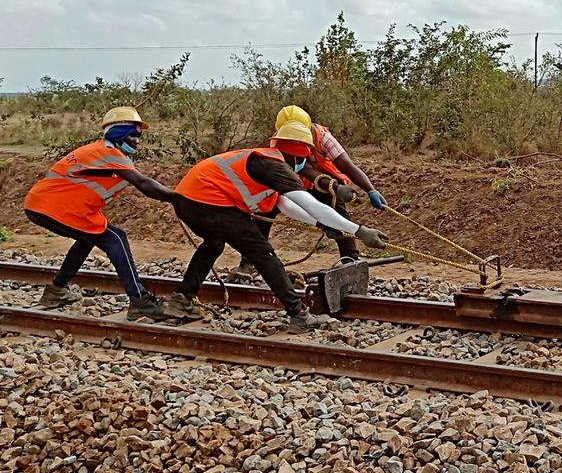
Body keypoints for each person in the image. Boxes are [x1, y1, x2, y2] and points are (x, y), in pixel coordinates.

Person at [165, 121, 389, 332]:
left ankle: (182, 299)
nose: (305, 163)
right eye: (305, 157)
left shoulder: (267, 161)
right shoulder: (275, 166)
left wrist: (320, 224)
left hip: (187, 199)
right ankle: (299, 315)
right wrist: (360, 231)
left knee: (213, 245)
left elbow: (285, 205)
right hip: (208, 201)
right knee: (264, 254)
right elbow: (309, 203)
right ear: (299, 152)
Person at [23, 106, 175, 320]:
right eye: (134, 134)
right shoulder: (107, 152)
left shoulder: (105, 152)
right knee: (116, 238)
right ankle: (140, 300)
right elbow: (143, 183)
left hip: (45, 207)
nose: (138, 139)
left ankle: (56, 290)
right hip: (54, 208)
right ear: (119, 132)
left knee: (88, 238)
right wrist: (178, 198)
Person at [232, 105, 386, 276]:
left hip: (324, 184)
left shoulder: (323, 137)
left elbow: (345, 164)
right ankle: (250, 262)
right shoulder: (281, 140)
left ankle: (349, 261)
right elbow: (298, 167)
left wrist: (370, 190)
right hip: (293, 183)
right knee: (266, 208)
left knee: (338, 216)